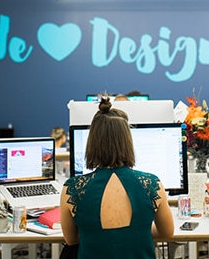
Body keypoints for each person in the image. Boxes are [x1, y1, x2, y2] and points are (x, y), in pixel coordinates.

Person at [60, 96, 174, 258]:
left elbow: (71, 240)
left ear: (91, 142)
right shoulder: (152, 184)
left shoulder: (72, 189)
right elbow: (167, 233)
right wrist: (138, 231)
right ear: (128, 141)